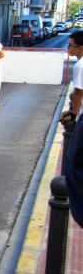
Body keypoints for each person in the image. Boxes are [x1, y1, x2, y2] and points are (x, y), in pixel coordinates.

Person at [62, 31, 83, 227]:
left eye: (71, 46)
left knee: (74, 163)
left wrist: (73, 114)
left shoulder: (81, 65)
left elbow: (78, 92)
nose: (68, 49)